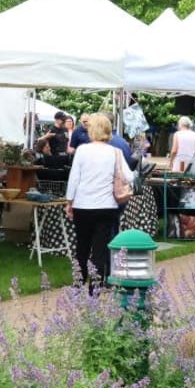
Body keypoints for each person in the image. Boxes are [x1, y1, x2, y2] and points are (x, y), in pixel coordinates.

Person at [65, 114, 122, 293]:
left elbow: (74, 178)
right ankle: (94, 290)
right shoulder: (115, 152)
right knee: (99, 249)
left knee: (82, 246)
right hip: (106, 206)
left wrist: (69, 202)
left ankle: (77, 285)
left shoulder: (82, 150)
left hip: (83, 205)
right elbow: (128, 176)